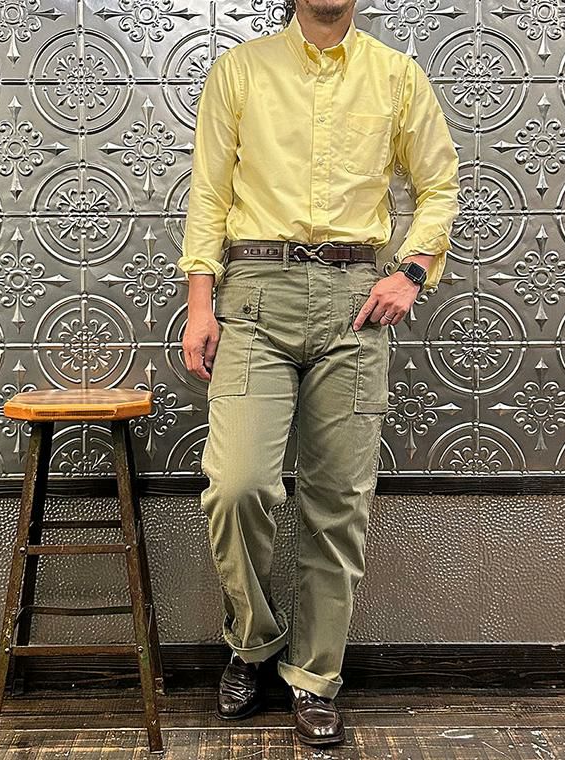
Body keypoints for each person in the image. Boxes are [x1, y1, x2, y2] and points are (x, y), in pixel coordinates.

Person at [178, 0, 460, 747]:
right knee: (238, 485)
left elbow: (440, 183)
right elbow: (209, 192)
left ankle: (315, 675)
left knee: (338, 499)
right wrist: (200, 304)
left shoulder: (397, 75)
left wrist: (412, 271)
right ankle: (252, 643)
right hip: (254, 293)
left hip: (354, 299)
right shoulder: (240, 70)